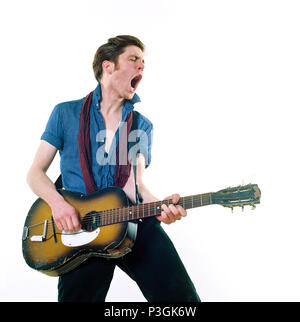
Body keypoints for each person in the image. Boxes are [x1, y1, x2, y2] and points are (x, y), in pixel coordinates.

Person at [27, 35, 200, 302]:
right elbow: (35, 174)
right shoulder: (65, 113)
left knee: (182, 302)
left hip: (132, 222)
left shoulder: (143, 125)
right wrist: (58, 205)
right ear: (108, 66)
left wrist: (161, 208)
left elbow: (137, 185)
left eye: (144, 62)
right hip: (80, 230)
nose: (141, 66)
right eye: (133, 59)